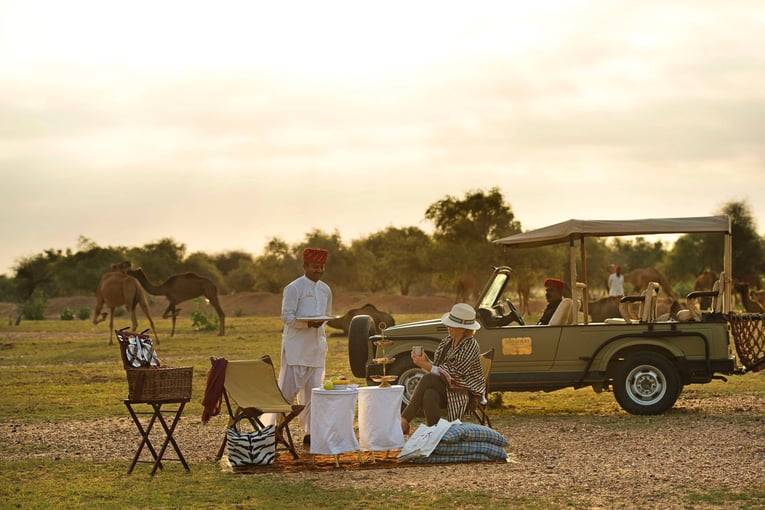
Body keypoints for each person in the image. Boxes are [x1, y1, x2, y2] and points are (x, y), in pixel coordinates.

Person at [400, 303, 486, 434]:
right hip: (448, 387)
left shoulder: (471, 345)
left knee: (429, 378)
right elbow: (440, 368)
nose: (448, 327)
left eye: (452, 325)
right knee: (429, 394)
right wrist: (426, 362)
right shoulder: (447, 342)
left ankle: (404, 420)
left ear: (463, 329)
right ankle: (437, 435)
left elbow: (454, 374)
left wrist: (425, 366)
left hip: (465, 390)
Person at [278, 247, 332, 446]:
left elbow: (327, 315)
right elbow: (287, 317)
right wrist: (307, 324)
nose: (319, 270)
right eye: (315, 267)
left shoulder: (325, 289)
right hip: (296, 349)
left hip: (317, 349)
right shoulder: (294, 288)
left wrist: (319, 323)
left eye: (322, 267)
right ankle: (277, 429)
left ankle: (310, 432)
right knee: (287, 393)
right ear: (305, 266)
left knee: (314, 393)